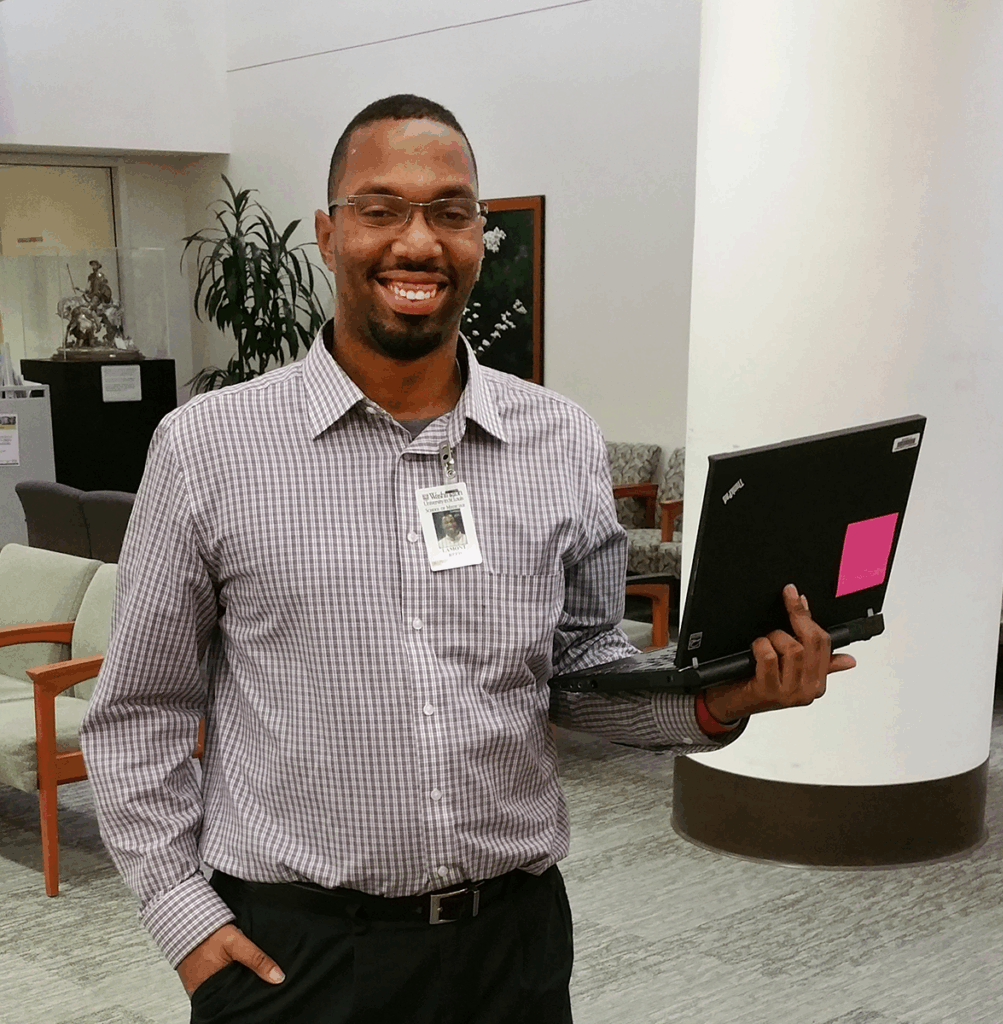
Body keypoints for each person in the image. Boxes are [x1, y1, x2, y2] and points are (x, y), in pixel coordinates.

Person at [80, 94, 855, 1024]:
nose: (418, 241)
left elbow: (579, 669)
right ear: (328, 236)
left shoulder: (559, 438)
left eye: (450, 212)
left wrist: (724, 696)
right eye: (381, 209)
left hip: (510, 950)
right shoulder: (208, 448)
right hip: (300, 959)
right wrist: (184, 919)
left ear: (480, 237)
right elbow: (139, 711)